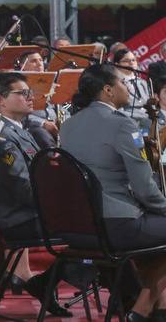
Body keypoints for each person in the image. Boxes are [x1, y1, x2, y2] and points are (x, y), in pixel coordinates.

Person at [61, 64, 166, 321]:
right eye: (123, 82)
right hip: (116, 224)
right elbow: (144, 189)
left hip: (80, 226)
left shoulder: (68, 125)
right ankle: (142, 309)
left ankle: (156, 305)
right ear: (108, 90)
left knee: (156, 240)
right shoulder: (123, 125)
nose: (128, 87)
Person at [0, 72, 75, 316]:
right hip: (19, 218)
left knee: (97, 228)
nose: (30, 97)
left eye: (30, 92)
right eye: (23, 93)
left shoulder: (17, 130)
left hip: (32, 211)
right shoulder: (2, 136)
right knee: (93, 229)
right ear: (1, 100)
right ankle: (130, 297)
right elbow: (23, 187)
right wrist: (62, 205)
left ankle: (45, 282)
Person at [18, 50, 59, 149]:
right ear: (23, 65)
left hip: (56, 125)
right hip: (35, 128)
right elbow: (19, 113)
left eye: (40, 60)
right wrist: (43, 123)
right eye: (34, 61)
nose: (39, 63)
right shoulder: (20, 86)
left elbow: (62, 107)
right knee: (42, 135)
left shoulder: (52, 83)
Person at [113, 48, 150, 129]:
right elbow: (117, 109)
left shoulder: (142, 82)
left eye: (133, 60)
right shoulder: (115, 84)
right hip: (129, 121)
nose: (131, 63)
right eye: (126, 61)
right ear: (117, 64)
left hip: (147, 119)